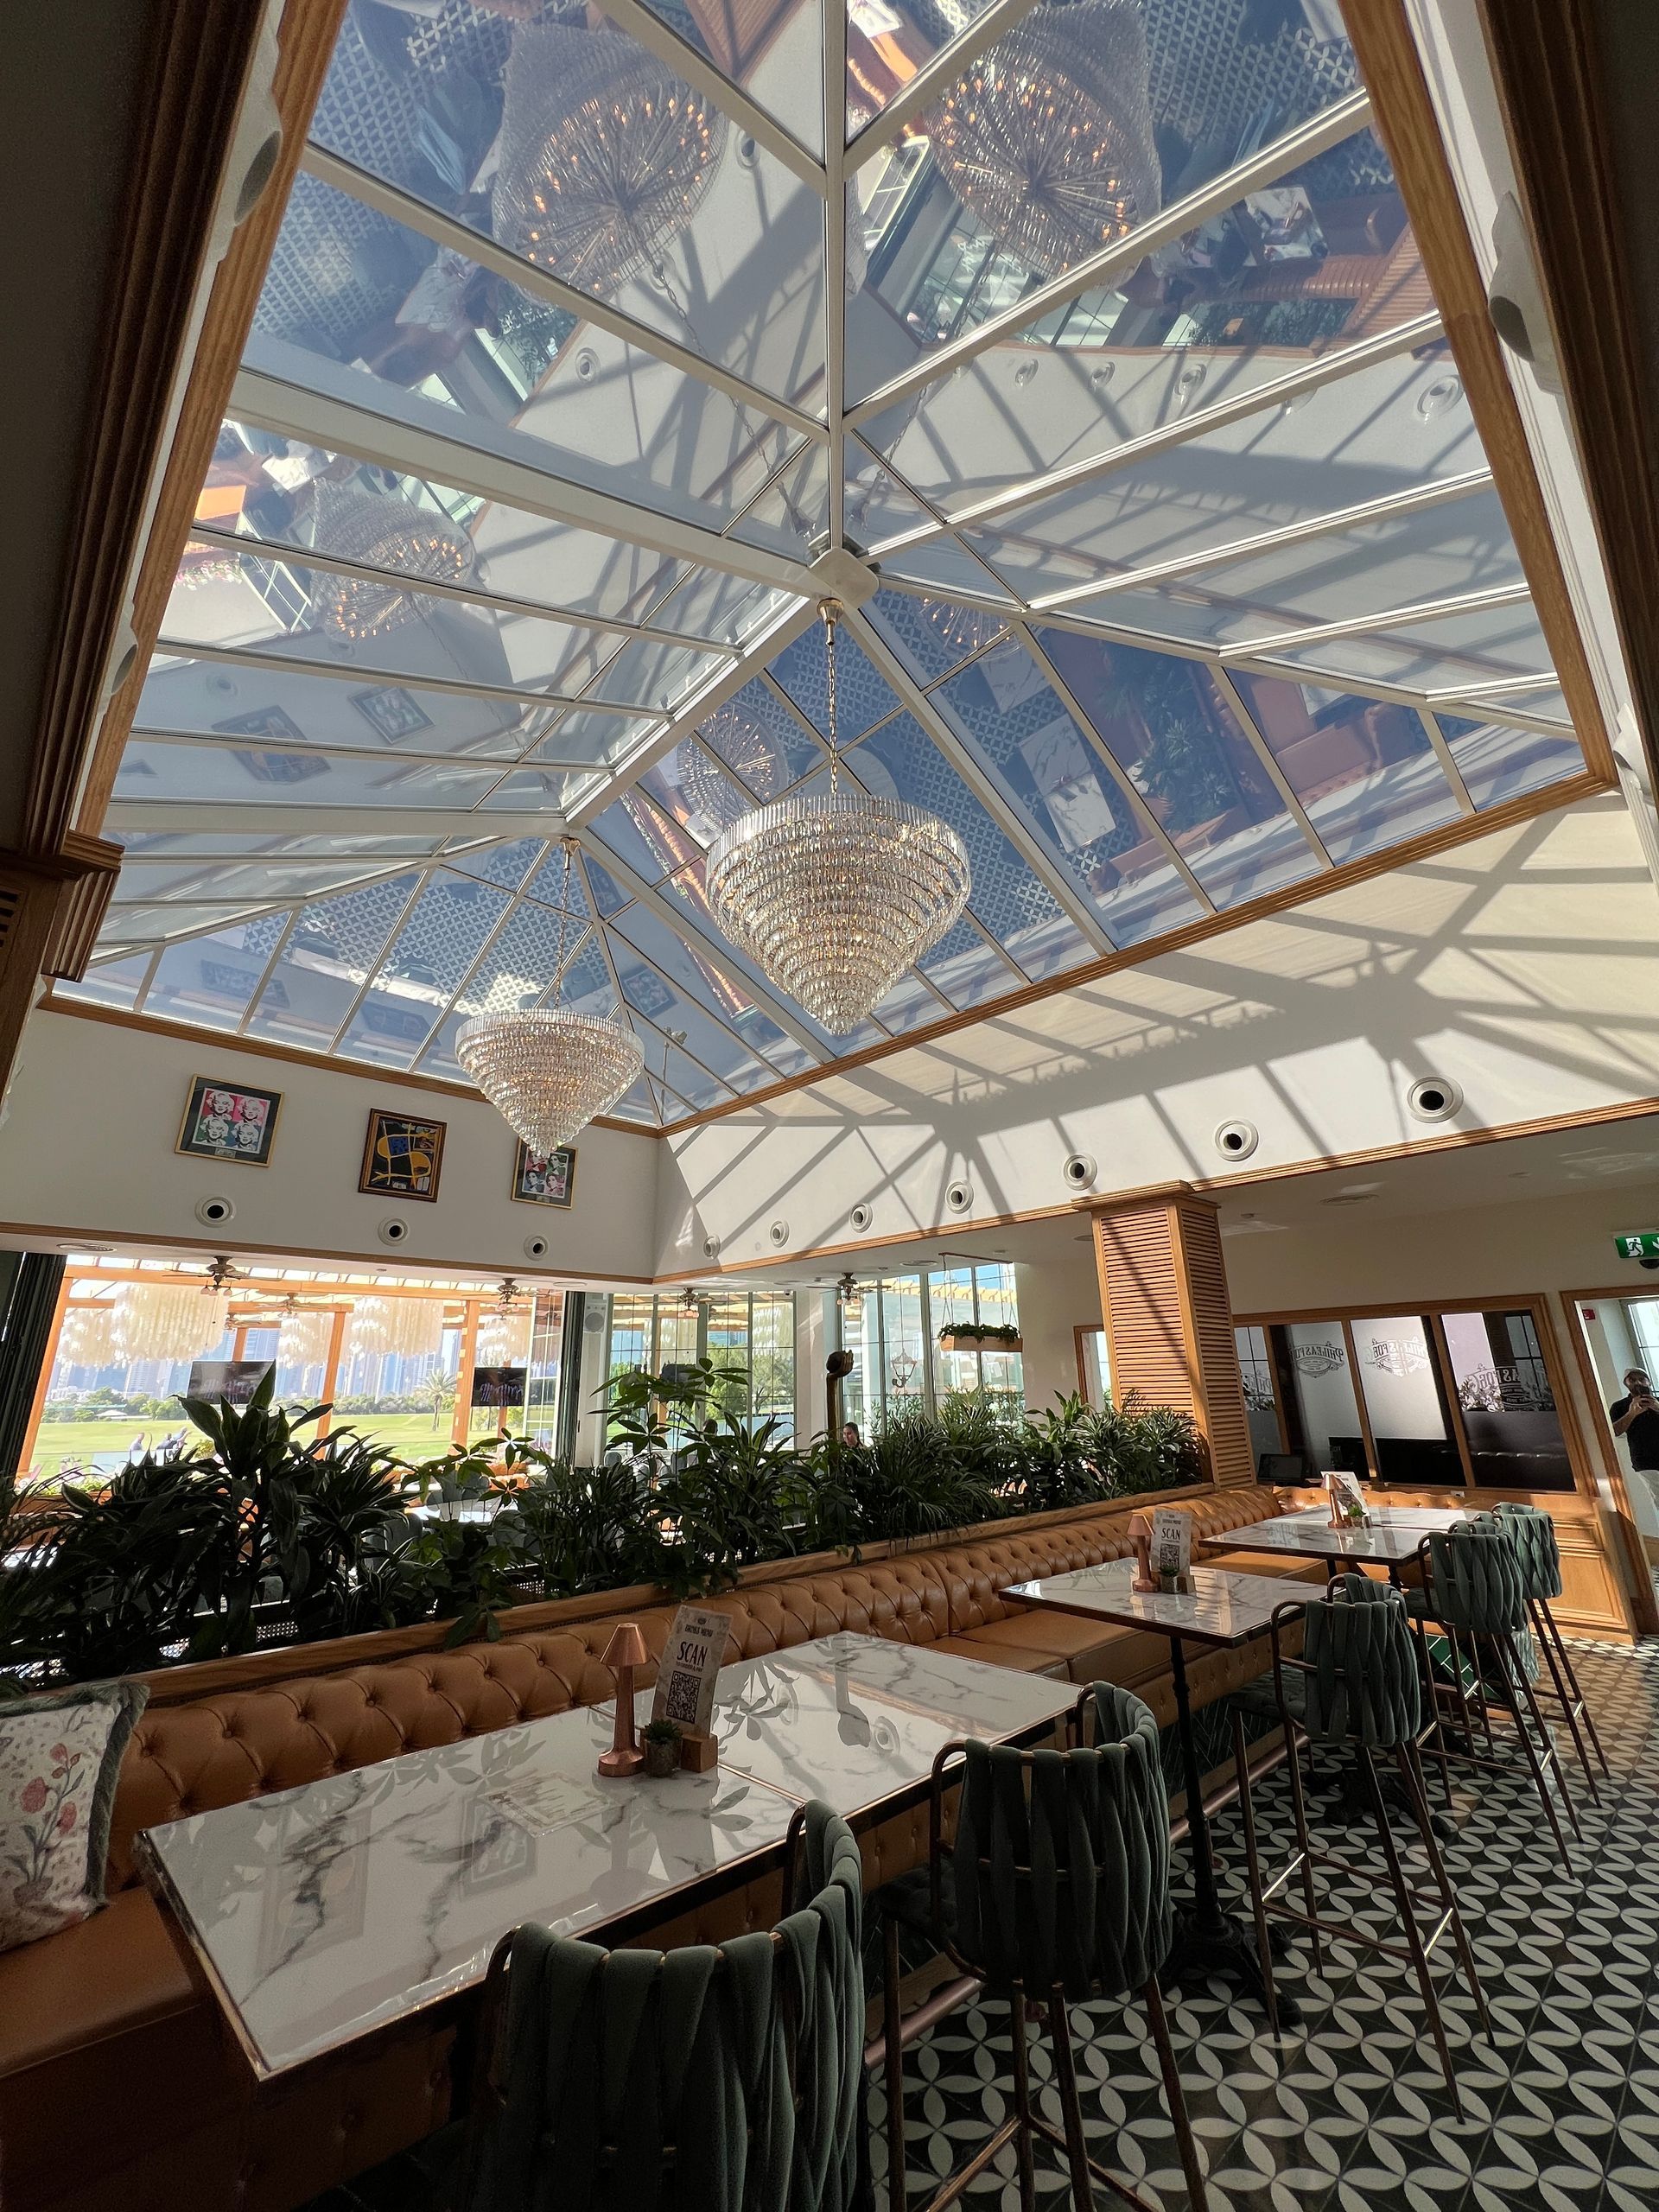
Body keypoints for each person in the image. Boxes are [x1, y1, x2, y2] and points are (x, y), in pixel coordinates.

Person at [1609, 1368, 1659, 1477]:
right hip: (1646, 1463)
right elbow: (1613, 1432)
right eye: (1632, 1380)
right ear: (1625, 1384)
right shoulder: (1619, 1407)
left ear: (1649, 1382)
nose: (1638, 1382)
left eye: (1642, 1379)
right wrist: (1631, 1414)